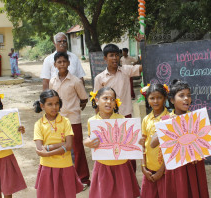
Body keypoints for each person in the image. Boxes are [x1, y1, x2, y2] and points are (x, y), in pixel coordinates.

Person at [150, 79, 209, 198]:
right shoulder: (167, 120)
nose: (186, 98)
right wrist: (169, 126)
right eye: (181, 96)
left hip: (194, 166)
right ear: (172, 100)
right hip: (177, 168)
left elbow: (203, 145)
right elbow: (152, 143)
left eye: (188, 95)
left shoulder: (196, 119)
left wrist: (199, 155)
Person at [83, 87, 140, 198]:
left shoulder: (121, 119)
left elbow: (128, 139)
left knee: (123, 193)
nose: (109, 101)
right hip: (103, 166)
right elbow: (88, 138)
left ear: (115, 103)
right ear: (97, 100)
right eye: (105, 98)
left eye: (112, 99)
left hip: (122, 165)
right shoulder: (92, 121)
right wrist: (87, 142)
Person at [93, 44, 142, 172]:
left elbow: (143, 66)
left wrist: (142, 44)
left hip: (125, 116)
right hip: (108, 119)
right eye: (111, 55)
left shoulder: (126, 70)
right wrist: (98, 120)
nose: (115, 58)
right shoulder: (100, 78)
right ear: (105, 58)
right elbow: (96, 101)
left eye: (117, 55)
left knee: (130, 151)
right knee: (113, 153)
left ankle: (132, 183)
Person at [49, 52, 91, 189]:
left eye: (64, 62)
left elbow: (84, 98)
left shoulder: (75, 81)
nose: (62, 64)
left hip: (73, 119)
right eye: (59, 62)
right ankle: (66, 179)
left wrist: (75, 109)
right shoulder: (52, 81)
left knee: (77, 148)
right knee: (62, 148)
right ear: (55, 64)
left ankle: (83, 179)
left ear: (68, 63)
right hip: (58, 120)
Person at [33, 89, 83, 198]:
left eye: (56, 103)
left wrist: (49, 149)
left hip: (65, 166)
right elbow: (40, 149)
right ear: (42, 106)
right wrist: (61, 144)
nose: (54, 107)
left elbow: (69, 146)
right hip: (46, 167)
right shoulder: (38, 124)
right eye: (49, 104)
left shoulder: (66, 121)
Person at [138, 84, 169, 198]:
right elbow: (143, 145)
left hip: (165, 171)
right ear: (147, 99)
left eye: (159, 97)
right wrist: (143, 167)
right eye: (152, 98)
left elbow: (171, 148)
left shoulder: (169, 118)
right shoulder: (146, 120)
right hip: (149, 171)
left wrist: (161, 170)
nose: (155, 101)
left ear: (165, 98)